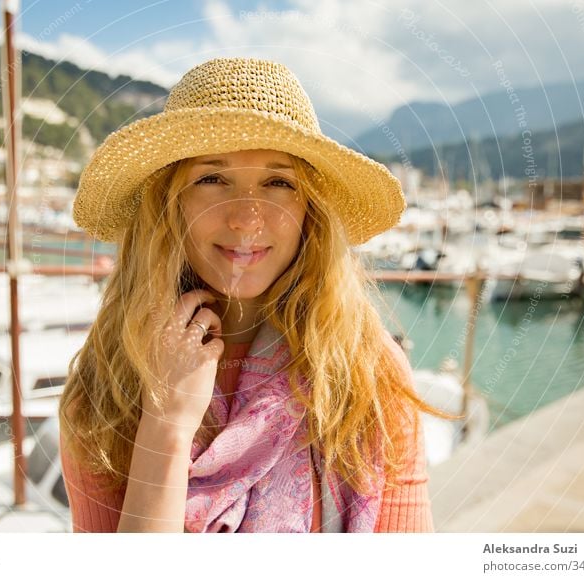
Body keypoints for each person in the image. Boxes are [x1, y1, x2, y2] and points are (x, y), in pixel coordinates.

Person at [59, 57, 436, 533]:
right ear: (169, 205)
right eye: (212, 179)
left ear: (309, 211)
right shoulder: (105, 388)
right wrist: (167, 423)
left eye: (278, 183)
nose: (246, 219)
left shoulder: (368, 372)